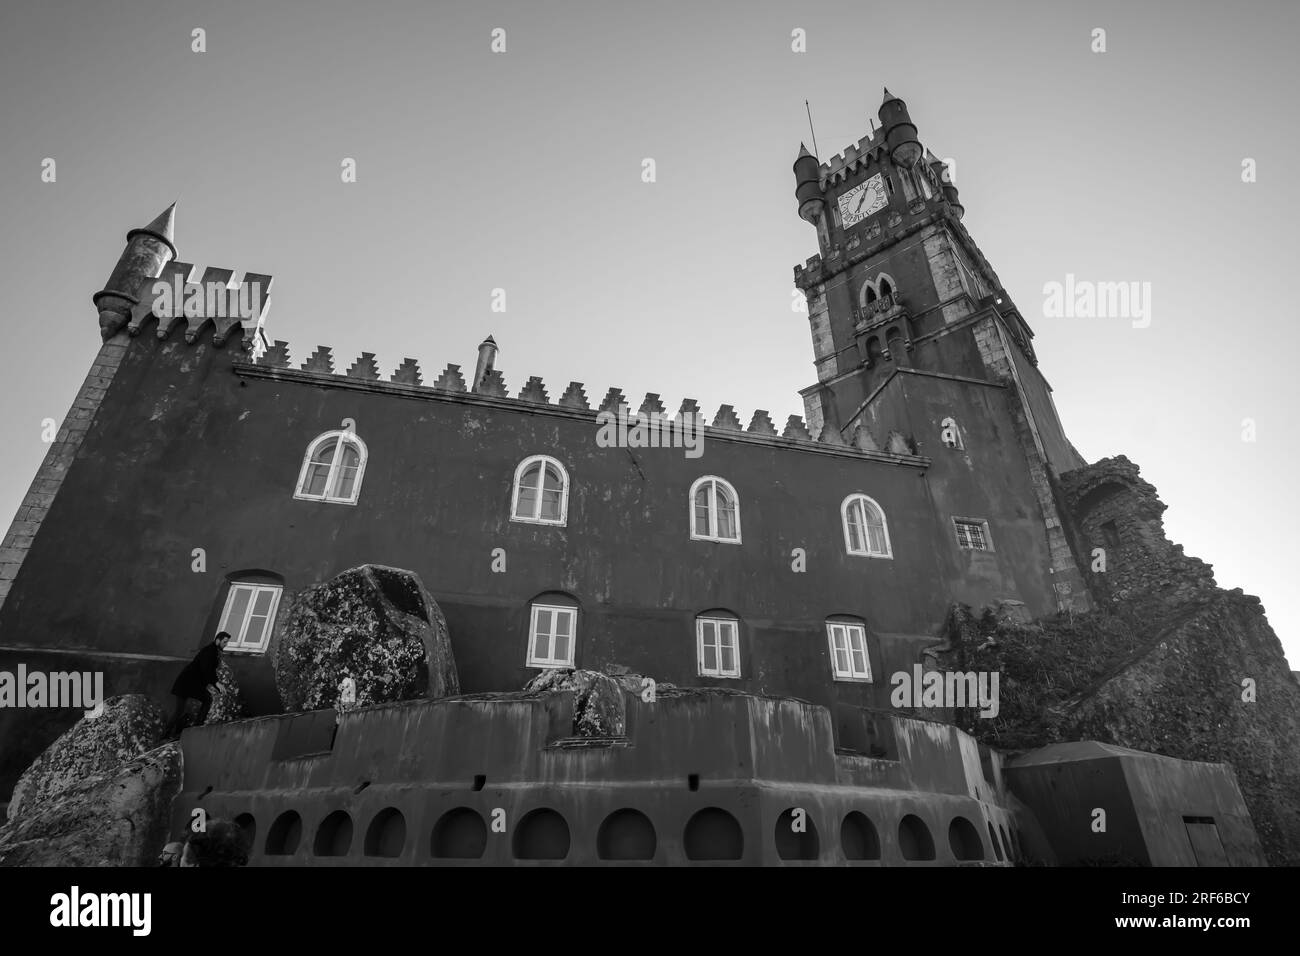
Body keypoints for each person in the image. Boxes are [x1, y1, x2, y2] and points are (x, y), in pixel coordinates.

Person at [165, 631, 230, 736]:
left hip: (189, 683)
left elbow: (208, 670)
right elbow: (206, 669)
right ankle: (195, 729)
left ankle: (171, 733)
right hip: (187, 683)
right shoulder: (210, 651)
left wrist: (215, 684)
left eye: (227, 643)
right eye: (224, 642)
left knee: (181, 710)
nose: (226, 645)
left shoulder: (213, 651)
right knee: (205, 700)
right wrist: (217, 683)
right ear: (218, 640)